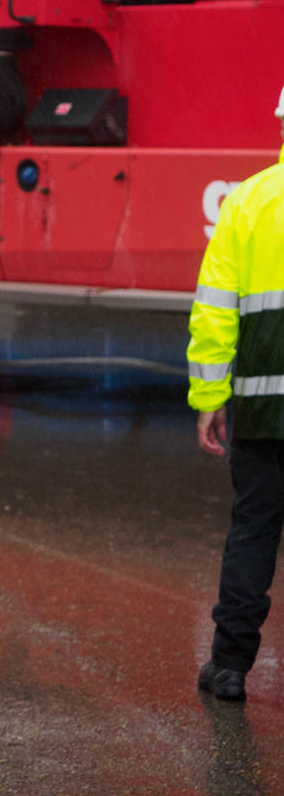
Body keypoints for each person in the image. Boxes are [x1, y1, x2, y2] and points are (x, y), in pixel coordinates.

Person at [188, 85, 284, 703]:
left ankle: (228, 668)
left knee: (253, 532)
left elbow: (215, 310)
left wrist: (209, 398)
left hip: (261, 407)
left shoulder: (248, 201)